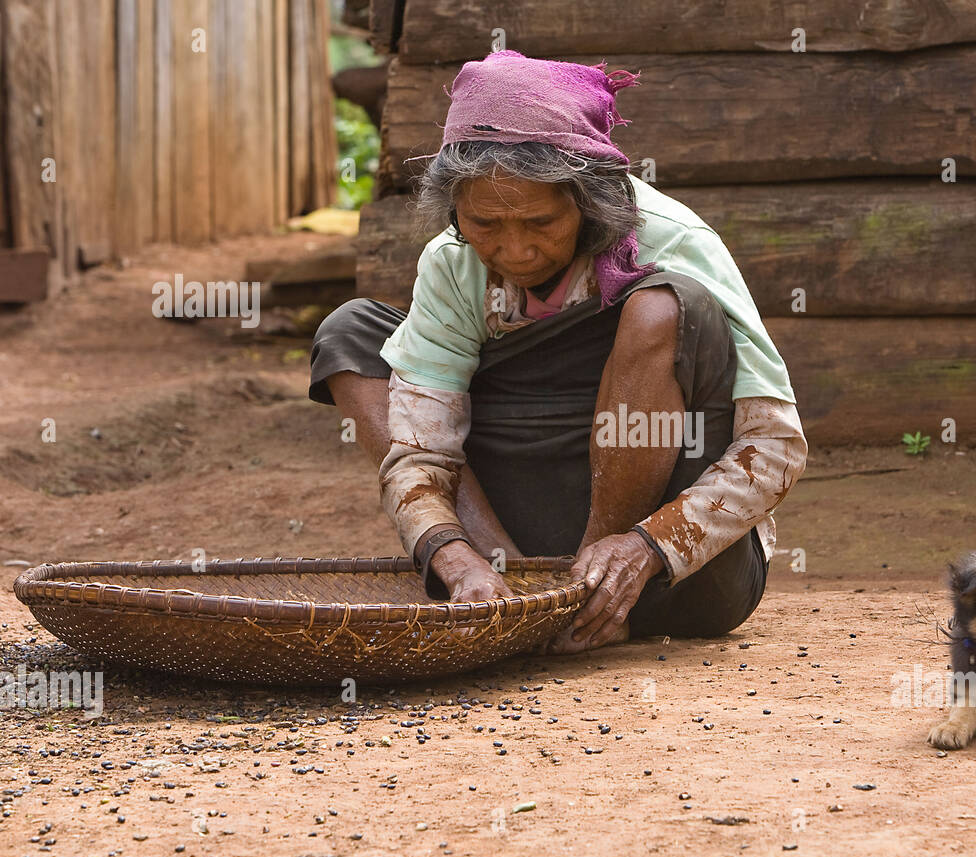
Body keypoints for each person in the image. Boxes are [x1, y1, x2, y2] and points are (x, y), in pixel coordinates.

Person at [308, 50, 807, 654]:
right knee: (355, 330)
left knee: (662, 306)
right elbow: (421, 448)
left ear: (587, 201)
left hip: (676, 578)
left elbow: (775, 447)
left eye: (541, 223)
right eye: (485, 224)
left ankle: (590, 592)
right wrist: (458, 556)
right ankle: (518, 585)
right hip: (517, 541)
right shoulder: (453, 257)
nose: (515, 251)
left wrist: (646, 547)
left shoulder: (674, 241)